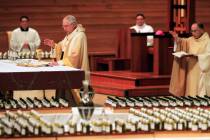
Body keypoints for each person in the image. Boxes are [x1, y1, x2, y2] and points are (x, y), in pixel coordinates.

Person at [44, 15, 89, 105]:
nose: (64, 28)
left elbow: (75, 56)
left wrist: (60, 62)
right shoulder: (71, 34)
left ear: (73, 24)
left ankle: (72, 105)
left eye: (66, 26)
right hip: (65, 66)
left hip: (74, 68)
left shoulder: (79, 35)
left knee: (71, 93)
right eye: (63, 26)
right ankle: (61, 103)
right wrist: (54, 46)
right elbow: (62, 47)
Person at [169, 23, 210, 97]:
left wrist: (198, 56)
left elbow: (208, 55)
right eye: (192, 31)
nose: (193, 33)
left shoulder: (207, 40)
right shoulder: (191, 39)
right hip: (191, 68)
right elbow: (182, 42)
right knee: (191, 86)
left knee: (199, 89)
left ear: (201, 30)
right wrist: (176, 38)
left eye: (195, 31)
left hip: (201, 68)